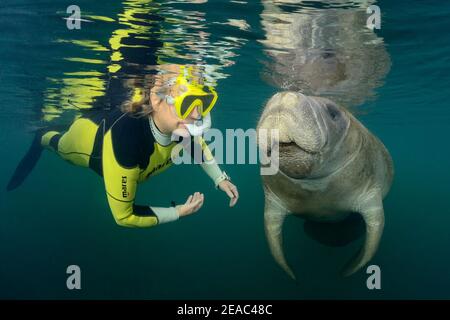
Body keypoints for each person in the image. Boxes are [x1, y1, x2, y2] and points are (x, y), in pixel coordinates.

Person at [7, 65, 239, 227]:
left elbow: (195, 144)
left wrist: (220, 178)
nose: (197, 114)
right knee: (58, 143)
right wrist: (177, 212)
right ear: (157, 101)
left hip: (117, 116)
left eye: (204, 103)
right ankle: (41, 136)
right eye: (187, 104)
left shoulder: (180, 129)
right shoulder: (126, 140)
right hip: (87, 141)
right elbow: (124, 217)